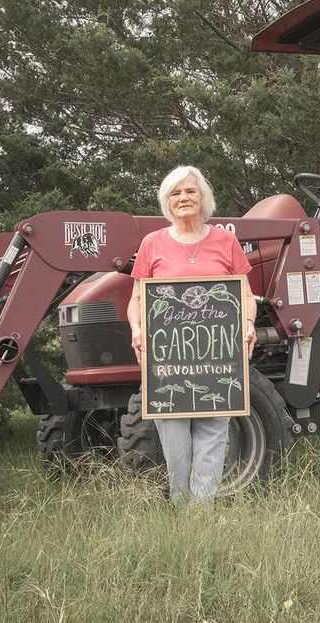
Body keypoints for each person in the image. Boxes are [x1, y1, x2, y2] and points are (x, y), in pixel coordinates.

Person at [128, 165, 257, 506]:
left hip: (218, 360)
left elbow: (244, 294)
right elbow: (138, 300)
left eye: (190, 191)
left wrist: (247, 324)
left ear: (203, 199)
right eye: (175, 193)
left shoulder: (225, 241)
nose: (183, 198)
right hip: (168, 363)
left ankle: (202, 513)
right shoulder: (152, 243)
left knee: (214, 437)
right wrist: (138, 330)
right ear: (166, 202)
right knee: (175, 443)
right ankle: (182, 506)